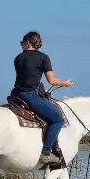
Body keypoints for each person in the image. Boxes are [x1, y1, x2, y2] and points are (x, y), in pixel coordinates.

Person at [10, 31, 73, 164]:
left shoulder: (18, 58)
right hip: (30, 95)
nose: (21, 45)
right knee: (58, 120)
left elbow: (26, 77)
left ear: (28, 42)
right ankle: (46, 152)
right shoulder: (43, 58)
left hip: (15, 93)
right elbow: (52, 81)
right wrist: (65, 84)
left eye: (21, 43)